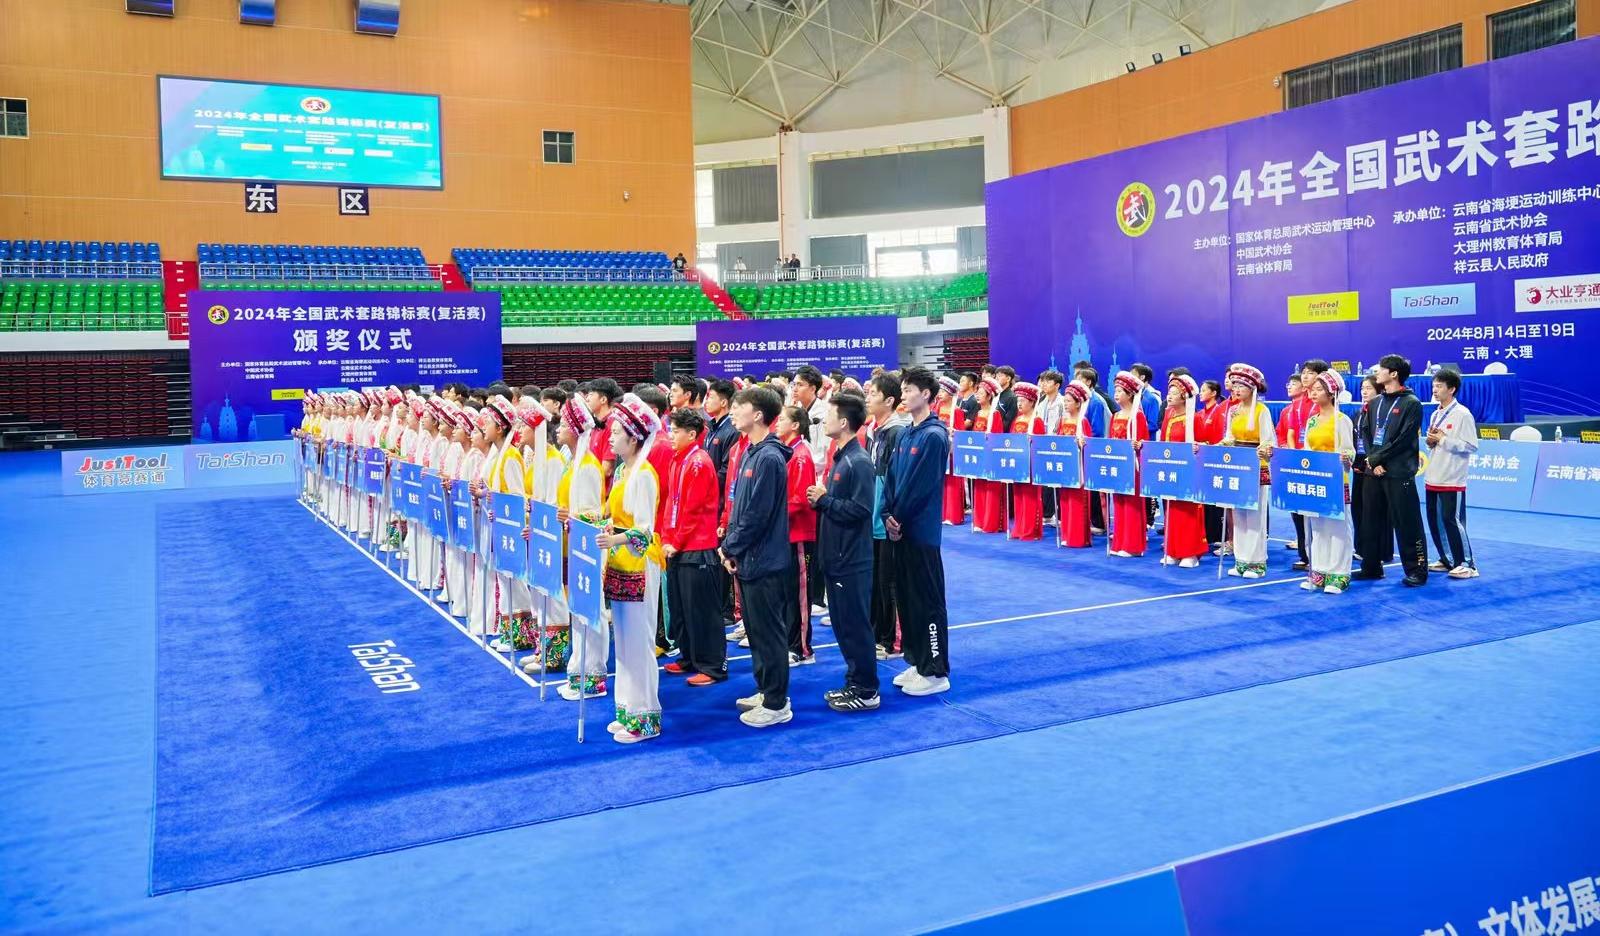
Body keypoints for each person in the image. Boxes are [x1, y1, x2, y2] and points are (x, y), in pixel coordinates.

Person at [722, 385, 794, 727]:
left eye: (741, 406)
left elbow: (757, 514)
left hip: (766, 560)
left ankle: (777, 702)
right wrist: (734, 546)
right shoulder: (751, 452)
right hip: (749, 557)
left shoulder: (769, 457)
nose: (734, 411)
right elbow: (741, 508)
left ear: (759, 415)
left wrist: (730, 546)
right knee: (755, 630)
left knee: (769, 632)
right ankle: (766, 689)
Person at [598, 393, 666, 744]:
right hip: (620, 563)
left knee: (639, 643)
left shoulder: (644, 475)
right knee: (623, 643)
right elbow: (619, 518)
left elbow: (645, 530)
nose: (610, 437)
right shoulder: (625, 471)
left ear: (634, 437)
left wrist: (615, 538)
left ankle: (646, 717)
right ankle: (627, 709)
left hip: (640, 564)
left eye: (616, 432)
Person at [881, 367, 952, 697]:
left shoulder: (934, 436)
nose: (904, 395)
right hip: (900, 530)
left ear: (926, 394)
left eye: (909, 389)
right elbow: (892, 479)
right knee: (907, 599)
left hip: (920, 532)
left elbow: (920, 487)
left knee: (927, 600)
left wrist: (899, 517)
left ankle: (935, 669)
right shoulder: (905, 433)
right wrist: (887, 514)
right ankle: (916, 658)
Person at [808, 393, 879, 712]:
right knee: (843, 626)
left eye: (830, 415)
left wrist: (825, 501)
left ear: (845, 422)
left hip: (851, 559)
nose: (825, 420)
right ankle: (855, 681)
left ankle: (867, 689)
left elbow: (861, 509)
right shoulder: (842, 457)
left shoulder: (858, 461)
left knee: (855, 626)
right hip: (836, 556)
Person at [660, 408, 727, 685]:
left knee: (702, 611)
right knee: (681, 608)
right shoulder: (678, 459)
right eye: (670, 430)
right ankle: (688, 656)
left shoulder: (699, 462)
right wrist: (666, 538)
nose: (670, 435)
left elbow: (693, 510)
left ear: (691, 434)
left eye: (675, 431)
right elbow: (670, 504)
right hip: (677, 546)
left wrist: (676, 542)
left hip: (697, 546)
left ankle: (712, 666)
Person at [540, 394, 604, 687]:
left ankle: (592, 673)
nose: (559, 429)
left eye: (565, 424)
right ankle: (578, 668)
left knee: (589, 612)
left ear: (577, 430)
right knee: (576, 610)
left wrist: (572, 516)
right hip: (570, 544)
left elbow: (594, 514)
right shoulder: (573, 463)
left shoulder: (588, 465)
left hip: (584, 549)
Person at [1357, 354, 1429, 587]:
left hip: (1398, 472)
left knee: (1407, 522)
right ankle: (1371, 567)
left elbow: (1404, 439)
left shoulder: (1412, 403)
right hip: (1373, 471)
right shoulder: (1375, 403)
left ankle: (1417, 569)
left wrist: (1379, 458)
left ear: (1394, 374)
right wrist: (1373, 460)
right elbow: (1366, 432)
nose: (1377, 372)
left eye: (1381, 369)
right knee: (1370, 520)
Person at [1301, 370, 1356, 594]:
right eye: (1312, 389)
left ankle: (1339, 574)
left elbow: (1350, 450)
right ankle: (1319, 571)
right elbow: (1307, 448)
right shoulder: (1312, 420)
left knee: (1338, 527)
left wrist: (1346, 458)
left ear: (1331, 393)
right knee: (1318, 527)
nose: (1313, 393)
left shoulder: (1342, 420)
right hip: (1315, 480)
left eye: (1319, 389)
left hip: (1335, 480)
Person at [865, 375, 908, 659]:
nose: (867, 398)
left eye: (873, 393)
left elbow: (896, 480)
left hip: (888, 521)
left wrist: (891, 514)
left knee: (889, 583)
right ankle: (878, 633)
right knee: (876, 582)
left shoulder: (896, 433)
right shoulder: (875, 432)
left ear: (889, 400)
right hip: (872, 520)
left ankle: (893, 640)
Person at [1424, 368, 1480, 579]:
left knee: (1452, 520)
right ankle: (1447, 559)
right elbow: (1436, 442)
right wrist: (1432, 441)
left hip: (1452, 477)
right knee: (1435, 521)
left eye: (1439, 386)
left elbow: (1471, 446)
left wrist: (1443, 440)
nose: (1435, 390)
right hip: (1433, 475)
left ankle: (1467, 564)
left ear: (1452, 389)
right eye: (1433, 386)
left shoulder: (1463, 414)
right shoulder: (1435, 413)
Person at [776, 404, 819, 666]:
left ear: (795, 425)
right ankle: (790, 641)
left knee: (799, 593)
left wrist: (773, 515)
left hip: (799, 533)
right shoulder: (787, 451)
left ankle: (802, 648)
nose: (777, 423)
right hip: (786, 532)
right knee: (787, 592)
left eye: (782, 419)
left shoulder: (800, 455)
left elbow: (799, 500)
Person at [1221, 363, 1273, 578]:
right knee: (1239, 514)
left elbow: (1268, 441)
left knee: (1254, 515)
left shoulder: (1262, 411)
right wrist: (1221, 445)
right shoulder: (1233, 411)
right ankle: (1241, 560)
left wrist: (1264, 450)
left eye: (1240, 385)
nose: (1236, 389)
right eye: (1234, 385)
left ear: (1252, 388)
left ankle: (1256, 563)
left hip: (1255, 466)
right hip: (1237, 466)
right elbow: (1229, 437)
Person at [1159, 375, 1207, 568]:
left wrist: (1198, 448)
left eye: (1174, 393)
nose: (1169, 396)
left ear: (1184, 396)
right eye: (1169, 392)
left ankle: (1190, 553)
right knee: (1172, 509)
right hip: (1172, 470)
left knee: (1188, 510)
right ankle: (1173, 550)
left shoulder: (1194, 418)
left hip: (1189, 471)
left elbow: (1206, 443)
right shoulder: (1168, 417)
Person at [1108, 371, 1149, 558]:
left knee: (1132, 503)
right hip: (1117, 465)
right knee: (1119, 502)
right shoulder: (1115, 415)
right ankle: (1119, 543)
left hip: (1133, 466)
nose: (1116, 394)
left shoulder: (1137, 416)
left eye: (1120, 391)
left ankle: (1133, 546)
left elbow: (1144, 442)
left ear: (1130, 393)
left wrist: (1138, 445)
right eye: (1115, 390)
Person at [1350, 375, 1388, 563]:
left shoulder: (1381, 413)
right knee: (1357, 508)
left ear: (1379, 390)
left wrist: (1375, 461)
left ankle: (1380, 551)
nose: (1364, 392)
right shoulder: (1358, 413)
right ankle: (1361, 547)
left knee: (1374, 511)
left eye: (1369, 388)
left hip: (1374, 467)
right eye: (1362, 388)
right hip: (1358, 466)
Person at [1056, 381, 1095, 548]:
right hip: (1065, 466)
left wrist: (1082, 444)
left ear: (1078, 403)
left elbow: (1089, 445)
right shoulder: (1063, 420)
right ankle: (1067, 534)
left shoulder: (1083, 421)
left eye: (1069, 401)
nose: (1065, 404)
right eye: (1064, 401)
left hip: (1079, 468)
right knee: (1065, 499)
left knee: (1078, 501)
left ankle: (1078, 537)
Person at [1194, 378, 1230, 551]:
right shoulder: (1200, 414)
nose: (1200, 393)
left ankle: (1216, 533)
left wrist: (1208, 446)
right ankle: (1205, 532)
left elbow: (1219, 437)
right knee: (1204, 496)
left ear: (1214, 393)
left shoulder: (1219, 411)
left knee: (1215, 497)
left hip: (1214, 458)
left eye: (1204, 390)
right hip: (1200, 458)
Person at [1009, 382, 1046, 541]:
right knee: (1018, 495)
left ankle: (1031, 530)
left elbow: (1041, 444)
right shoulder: (1017, 419)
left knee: (1030, 496)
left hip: (1031, 464)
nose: (1019, 404)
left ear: (1032, 402)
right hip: (1017, 463)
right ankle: (1019, 528)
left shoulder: (1036, 421)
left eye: (1023, 401)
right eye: (1018, 400)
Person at [970, 376, 1006, 533]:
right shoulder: (978, 413)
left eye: (981, 393)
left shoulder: (995, 414)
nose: (977, 395)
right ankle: (979, 521)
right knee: (979, 487)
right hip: (978, 456)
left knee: (991, 489)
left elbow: (997, 437)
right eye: (977, 392)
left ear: (989, 395)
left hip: (990, 457)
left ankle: (990, 523)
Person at [937, 374, 968, 525]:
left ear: (950, 394)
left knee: (953, 481)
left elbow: (961, 433)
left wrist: (953, 432)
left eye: (943, 391)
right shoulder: (937, 408)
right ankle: (942, 514)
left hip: (952, 451)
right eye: (939, 391)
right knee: (941, 481)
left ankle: (953, 515)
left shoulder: (957, 411)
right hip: (940, 449)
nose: (940, 394)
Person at [584, 377, 621, 489]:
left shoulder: (612, 424)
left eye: (591, 394)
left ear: (603, 399)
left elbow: (607, 470)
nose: (587, 398)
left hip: (601, 493)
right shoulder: (596, 424)